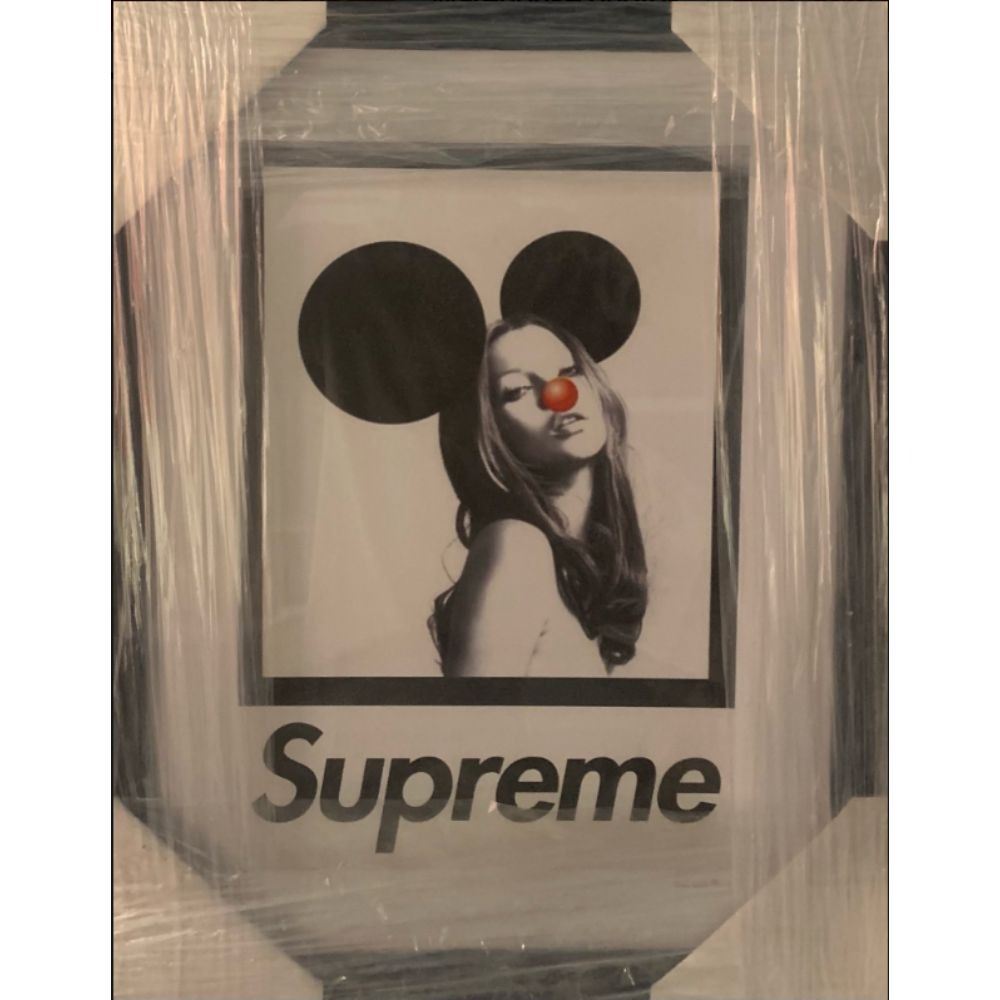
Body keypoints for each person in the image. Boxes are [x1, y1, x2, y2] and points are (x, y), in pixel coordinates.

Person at [431, 315, 647, 677]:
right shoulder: (516, 547)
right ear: (488, 429)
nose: (558, 394)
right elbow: (470, 715)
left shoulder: (572, 575)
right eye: (517, 390)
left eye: (569, 371)